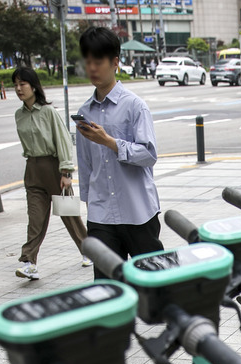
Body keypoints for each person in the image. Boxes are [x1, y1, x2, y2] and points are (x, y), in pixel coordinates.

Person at [75, 27, 163, 276]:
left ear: (115, 62)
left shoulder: (135, 106)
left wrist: (110, 142)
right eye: (88, 61)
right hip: (101, 215)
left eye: (98, 61)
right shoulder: (85, 112)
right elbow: (85, 162)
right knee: (107, 289)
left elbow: (149, 155)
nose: (92, 68)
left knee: (154, 283)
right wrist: (89, 202)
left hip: (138, 212)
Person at [12, 66, 88, 281]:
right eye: (15, 84)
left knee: (69, 215)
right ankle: (28, 262)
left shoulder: (48, 112)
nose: (18, 88)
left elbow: (63, 140)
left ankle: (89, 251)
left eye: (22, 84)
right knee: (35, 219)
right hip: (33, 169)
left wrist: (66, 171)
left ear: (34, 86)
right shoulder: (19, 115)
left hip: (54, 167)